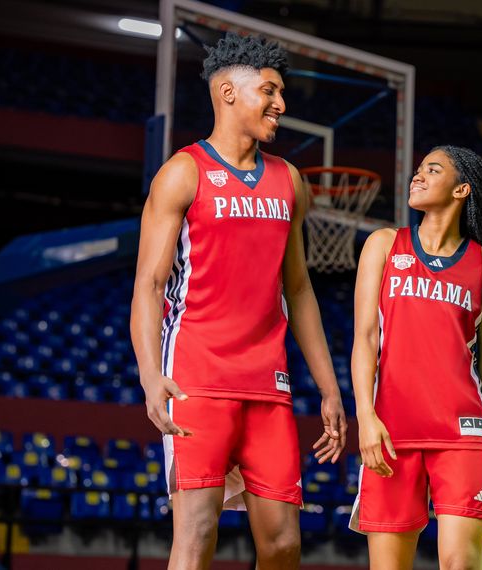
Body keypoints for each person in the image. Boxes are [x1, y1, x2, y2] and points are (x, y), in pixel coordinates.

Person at [130, 32, 346, 570]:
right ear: (227, 91)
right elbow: (149, 286)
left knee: (283, 544)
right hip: (197, 378)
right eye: (269, 91)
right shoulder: (182, 173)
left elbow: (298, 289)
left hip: (267, 383)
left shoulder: (289, 180)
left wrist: (328, 386)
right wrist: (150, 376)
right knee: (196, 535)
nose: (281, 104)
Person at [349, 145, 482, 569]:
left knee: (460, 564)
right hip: (392, 432)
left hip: (463, 433)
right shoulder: (384, 245)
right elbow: (365, 339)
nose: (417, 176)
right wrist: (365, 418)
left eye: (432, 169)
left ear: (462, 189)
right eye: (419, 169)